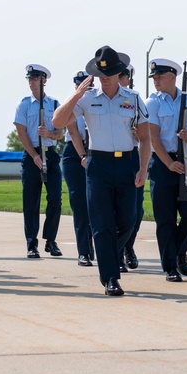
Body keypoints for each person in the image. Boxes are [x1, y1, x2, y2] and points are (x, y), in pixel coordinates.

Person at [52, 46, 149, 297]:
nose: (105, 78)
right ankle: (110, 278)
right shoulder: (86, 98)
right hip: (98, 165)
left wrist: (143, 168)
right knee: (103, 224)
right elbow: (57, 122)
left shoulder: (134, 98)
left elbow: (146, 138)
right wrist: (75, 95)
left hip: (127, 163)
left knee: (128, 220)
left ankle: (108, 251)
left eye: (110, 73)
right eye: (100, 73)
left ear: (119, 73)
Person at [146, 58, 187, 282]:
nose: (156, 81)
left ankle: (180, 251)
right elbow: (153, 138)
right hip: (163, 164)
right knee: (165, 219)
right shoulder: (151, 103)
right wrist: (169, 163)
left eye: (160, 77)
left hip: (186, 160)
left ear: (173, 77)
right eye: (154, 77)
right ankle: (170, 266)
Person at [13, 64, 63, 258]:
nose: (32, 82)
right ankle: (31, 243)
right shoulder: (24, 104)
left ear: (44, 81)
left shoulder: (54, 104)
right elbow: (21, 132)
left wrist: (49, 133)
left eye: (35, 79)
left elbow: (60, 132)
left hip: (50, 154)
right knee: (31, 202)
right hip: (31, 154)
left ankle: (50, 240)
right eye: (30, 79)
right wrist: (34, 155)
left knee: (55, 199)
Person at [62, 71, 95, 266]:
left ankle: (93, 243)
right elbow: (73, 132)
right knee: (79, 203)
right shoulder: (71, 103)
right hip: (75, 154)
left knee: (96, 203)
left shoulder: (96, 101)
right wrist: (83, 156)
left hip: (96, 150)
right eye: (79, 85)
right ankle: (83, 250)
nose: (82, 89)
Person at [118, 64, 144, 271]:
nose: (121, 79)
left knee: (136, 210)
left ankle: (129, 246)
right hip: (111, 157)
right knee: (115, 211)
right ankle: (117, 251)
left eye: (124, 76)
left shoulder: (134, 100)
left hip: (132, 156)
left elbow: (146, 136)